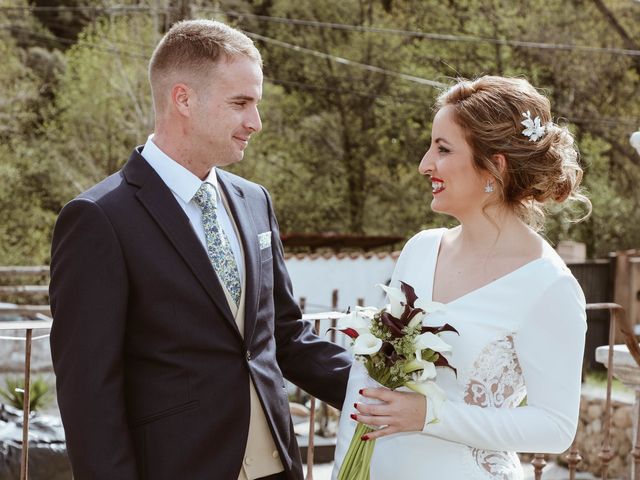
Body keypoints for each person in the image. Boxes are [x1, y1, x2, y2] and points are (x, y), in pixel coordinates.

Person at [49, 19, 351, 480]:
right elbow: (89, 394)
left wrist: (385, 387)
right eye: (241, 103)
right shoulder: (98, 219)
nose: (256, 122)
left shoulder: (255, 201)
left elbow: (283, 336)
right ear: (184, 99)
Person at [333, 76, 590, 479]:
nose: (424, 164)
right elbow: (365, 387)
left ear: (495, 166)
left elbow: (555, 429)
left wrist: (432, 415)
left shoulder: (549, 287)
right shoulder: (420, 249)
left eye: (443, 149)